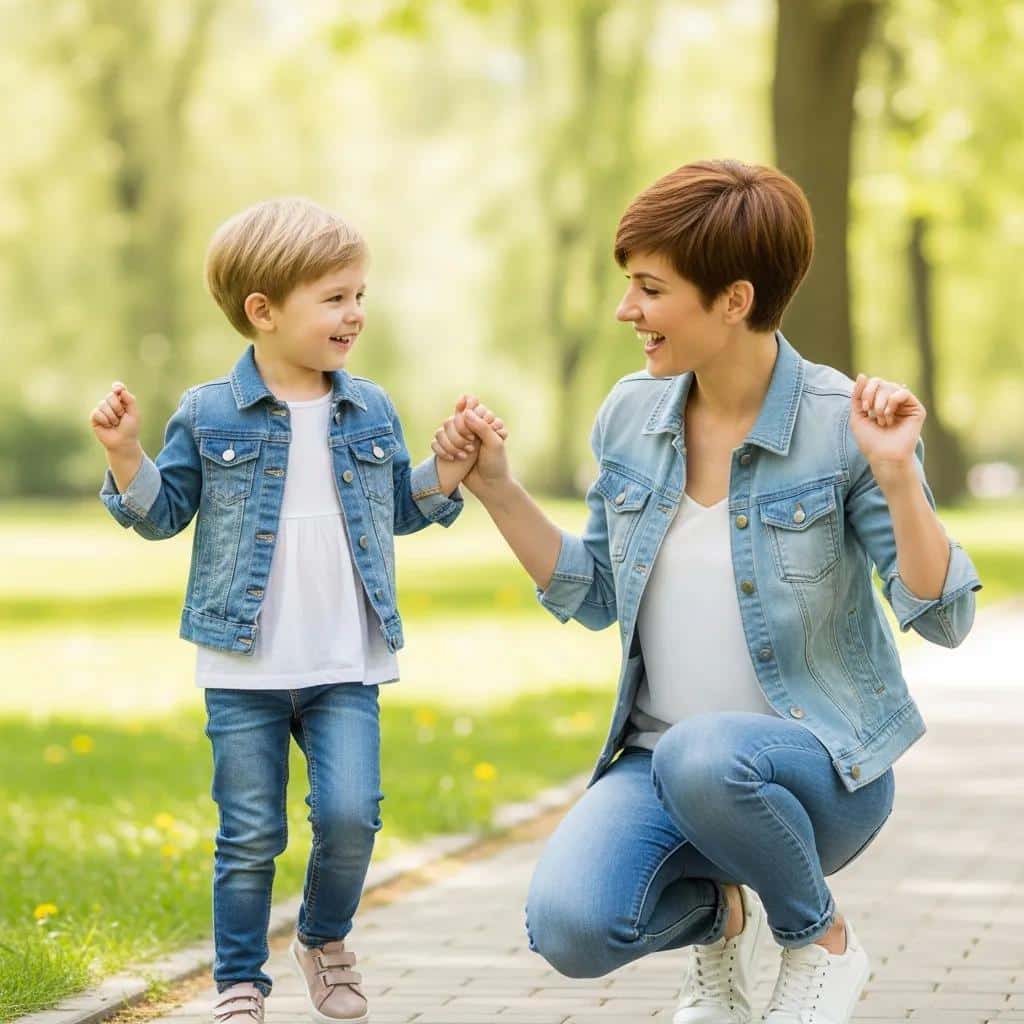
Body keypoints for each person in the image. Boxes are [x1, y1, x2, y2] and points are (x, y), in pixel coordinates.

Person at [434, 160, 981, 1024]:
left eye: (649, 289)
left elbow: (944, 617)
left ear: (733, 299)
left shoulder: (843, 424)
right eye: (629, 286)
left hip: (822, 771)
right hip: (659, 764)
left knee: (705, 754)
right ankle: (725, 918)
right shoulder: (629, 415)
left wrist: (898, 476)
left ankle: (819, 941)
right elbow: (596, 595)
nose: (627, 311)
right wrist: (497, 488)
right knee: (570, 927)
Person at [89, 197, 505, 1024]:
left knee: (353, 815)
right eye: (335, 298)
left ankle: (322, 936)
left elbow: (400, 507)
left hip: (345, 659)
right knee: (249, 838)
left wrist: (447, 467)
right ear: (263, 311)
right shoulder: (210, 412)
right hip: (245, 664)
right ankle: (239, 981)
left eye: (359, 295)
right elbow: (163, 512)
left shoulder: (369, 407)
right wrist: (126, 455)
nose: (355, 314)